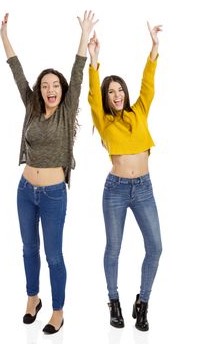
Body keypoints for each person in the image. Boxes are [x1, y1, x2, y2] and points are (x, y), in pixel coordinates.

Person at [0, 11, 98, 335]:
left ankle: (57, 310)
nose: (50, 89)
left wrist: (84, 34)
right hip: (25, 190)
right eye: (45, 85)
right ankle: (32, 298)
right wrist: (4, 35)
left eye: (55, 85)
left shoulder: (67, 112)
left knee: (53, 254)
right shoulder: (31, 106)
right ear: (40, 90)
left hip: (54, 193)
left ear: (61, 90)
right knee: (29, 249)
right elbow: (17, 72)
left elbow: (78, 70)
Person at [87, 23, 162, 331]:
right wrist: (94, 60)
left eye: (119, 90)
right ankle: (113, 301)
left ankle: (142, 304)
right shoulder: (103, 121)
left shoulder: (139, 111)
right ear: (106, 97)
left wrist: (154, 47)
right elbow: (92, 93)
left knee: (155, 247)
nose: (116, 95)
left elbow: (148, 83)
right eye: (110, 91)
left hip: (143, 188)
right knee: (113, 249)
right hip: (116, 190)